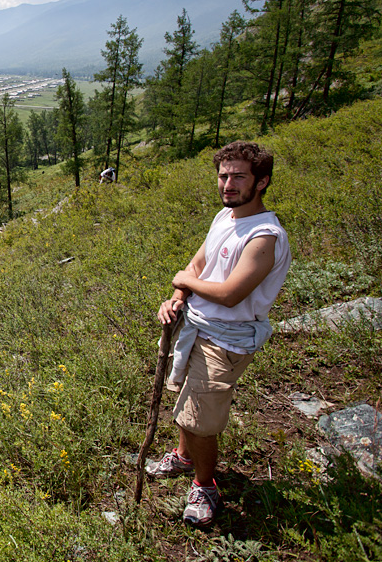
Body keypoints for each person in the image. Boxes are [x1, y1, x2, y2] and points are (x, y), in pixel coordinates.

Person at [148, 141, 291, 526]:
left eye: (238, 177)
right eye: (223, 175)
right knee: (189, 404)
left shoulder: (264, 235)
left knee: (200, 420)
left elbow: (231, 295)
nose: (228, 184)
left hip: (224, 338)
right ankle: (184, 456)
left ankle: (205, 484)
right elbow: (199, 263)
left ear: (261, 182)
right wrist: (177, 295)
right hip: (196, 325)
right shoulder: (225, 218)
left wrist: (181, 280)